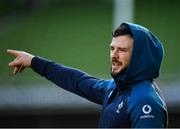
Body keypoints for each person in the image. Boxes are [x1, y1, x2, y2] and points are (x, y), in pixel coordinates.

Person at [7, 22, 168, 128]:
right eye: (112, 49)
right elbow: (77, 81)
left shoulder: (145, 101)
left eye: (122, 50)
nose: (114, 55)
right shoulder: (115, 88)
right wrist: (34, 61)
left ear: (139, 56)